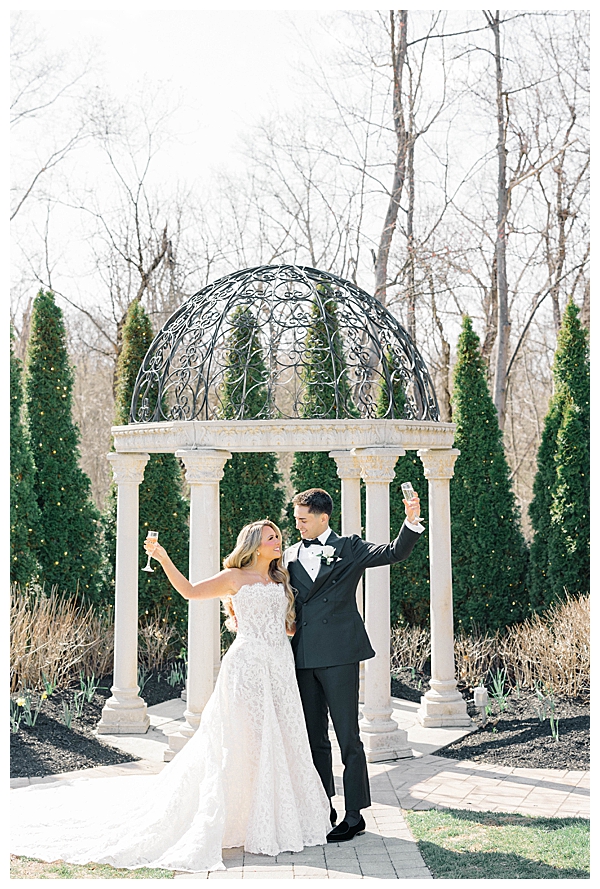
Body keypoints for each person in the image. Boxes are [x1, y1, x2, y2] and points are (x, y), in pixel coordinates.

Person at [10, 520, 331, 873]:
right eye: (272, 538)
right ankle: (239, 821)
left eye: (279, 538)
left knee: (282, 738)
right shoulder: (234, 578)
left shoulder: (280, 579)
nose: (278, 542)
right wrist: (162, 558)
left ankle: (273, 819)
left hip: (279, 668)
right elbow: (191, 592)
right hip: (249, 668)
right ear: (254, 545)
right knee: (244, 741)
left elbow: (290, 626)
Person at [284, 486, 424, 843]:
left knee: (349, 737)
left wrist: (410, 521)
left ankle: (354, 814)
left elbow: (394, 552)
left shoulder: (350, 548)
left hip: (340, 656)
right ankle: (322, 805)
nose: (297, 525)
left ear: (322, 517)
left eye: (303, 519)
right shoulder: (289, 555)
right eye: (296, 519)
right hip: (302, 658)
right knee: (314, 738)